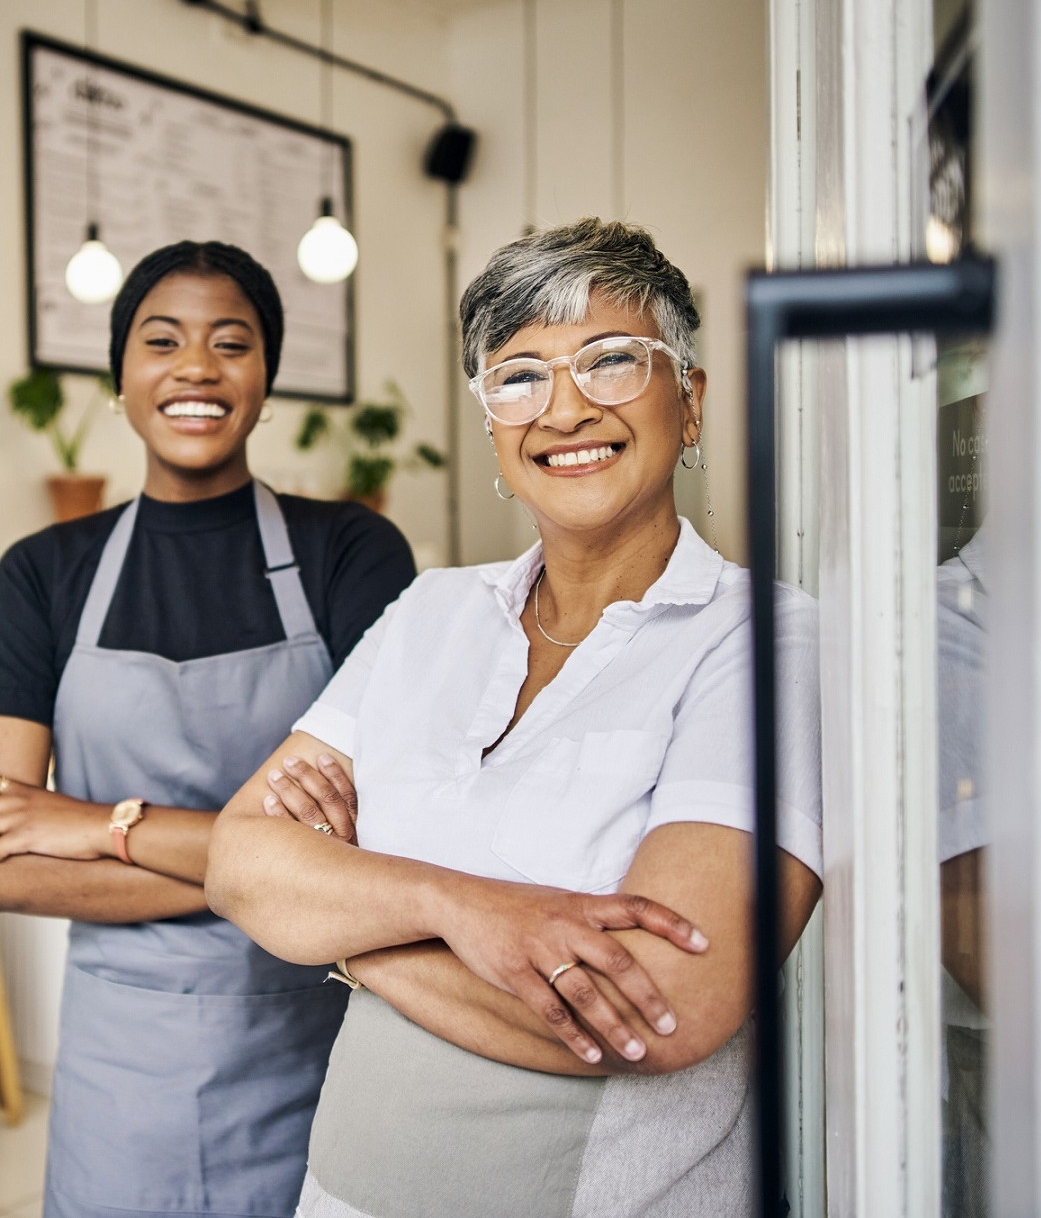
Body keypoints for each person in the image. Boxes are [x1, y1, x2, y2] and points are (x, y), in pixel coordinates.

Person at [206, 219, 824, 1217]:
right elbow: (239, 861)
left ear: (690, 400)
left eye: (612, 361)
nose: (564, 408)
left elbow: (660, 1007)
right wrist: (468, 909)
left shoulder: (766, 643)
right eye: (518, 375)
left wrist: (347, 928)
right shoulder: (430, 613)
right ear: (493, 425)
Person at [0, 240, 417, 1218]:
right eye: (161, 341)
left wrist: (93, 824)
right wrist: (275, 873)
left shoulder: (351, 553)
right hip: (121, 1077)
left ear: (266, 379)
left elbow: (376, 841)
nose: (196, 367)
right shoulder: (41, 572)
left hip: (318, 1043)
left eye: (230, 343)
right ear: (119, 377)